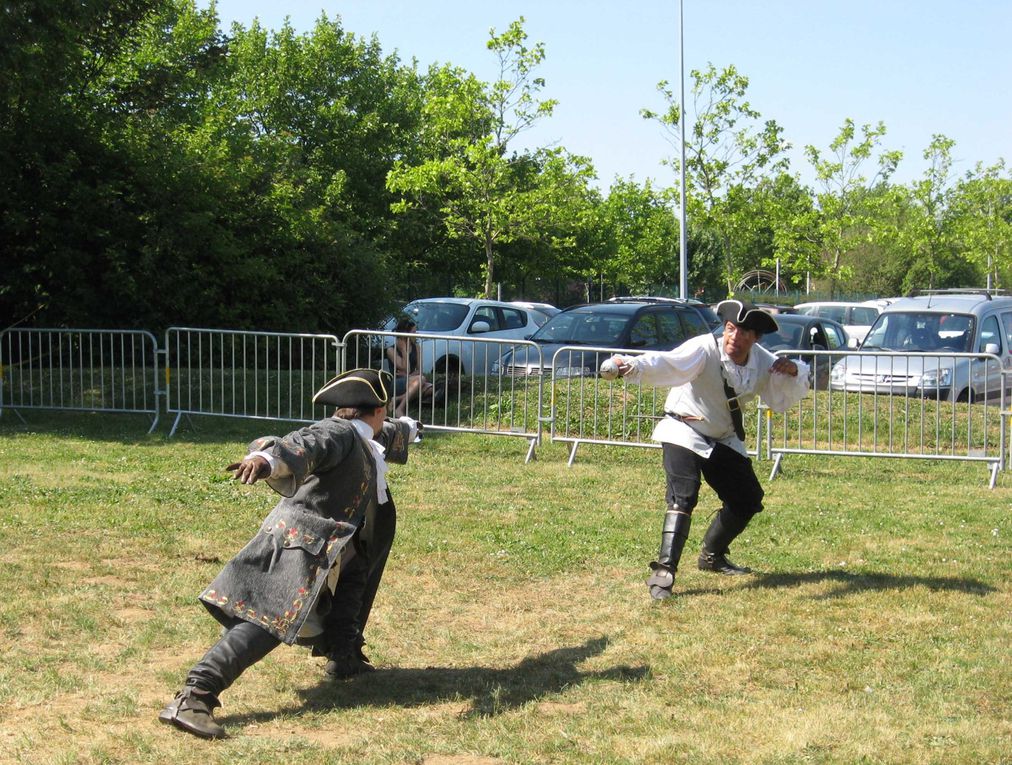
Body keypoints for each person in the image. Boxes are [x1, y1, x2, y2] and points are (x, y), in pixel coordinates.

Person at [158, 368, 419, 739]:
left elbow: (393, 432)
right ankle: (195, 695)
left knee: (355, 577)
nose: (387, 419)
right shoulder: (339, 432)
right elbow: (305, 444)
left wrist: (410, 427)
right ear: (375, 410)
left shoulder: (363, 433)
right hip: (302, 546)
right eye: (385, 412)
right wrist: (266, 460)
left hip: (337, 545)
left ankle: (343, 656)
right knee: (268, 621)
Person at [606, 300, 811, 600]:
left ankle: (712, 556)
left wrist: (793, 369)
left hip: (721, 438)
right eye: (731, 329)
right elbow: (668, 364)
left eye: (743, 333)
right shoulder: (704, 348)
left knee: (747, 499)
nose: (734, 338)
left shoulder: (762, 360)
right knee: (683, 496)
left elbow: (786, 392)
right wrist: (630, 365)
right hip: (683, 430)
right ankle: (664, 572)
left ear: (754, 338)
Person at [387, 316, 435, 417]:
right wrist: (404, 350)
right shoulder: (391, 350)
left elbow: (420, 370)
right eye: (413, 333)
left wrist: (407, 375)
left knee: (431, 388)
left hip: (412, 380)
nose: (416, 335)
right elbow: (406, 368)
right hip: (397, 383)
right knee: (421, 379)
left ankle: (398, 399)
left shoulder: (416, 347)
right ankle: (400, 408)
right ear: (405, 334)